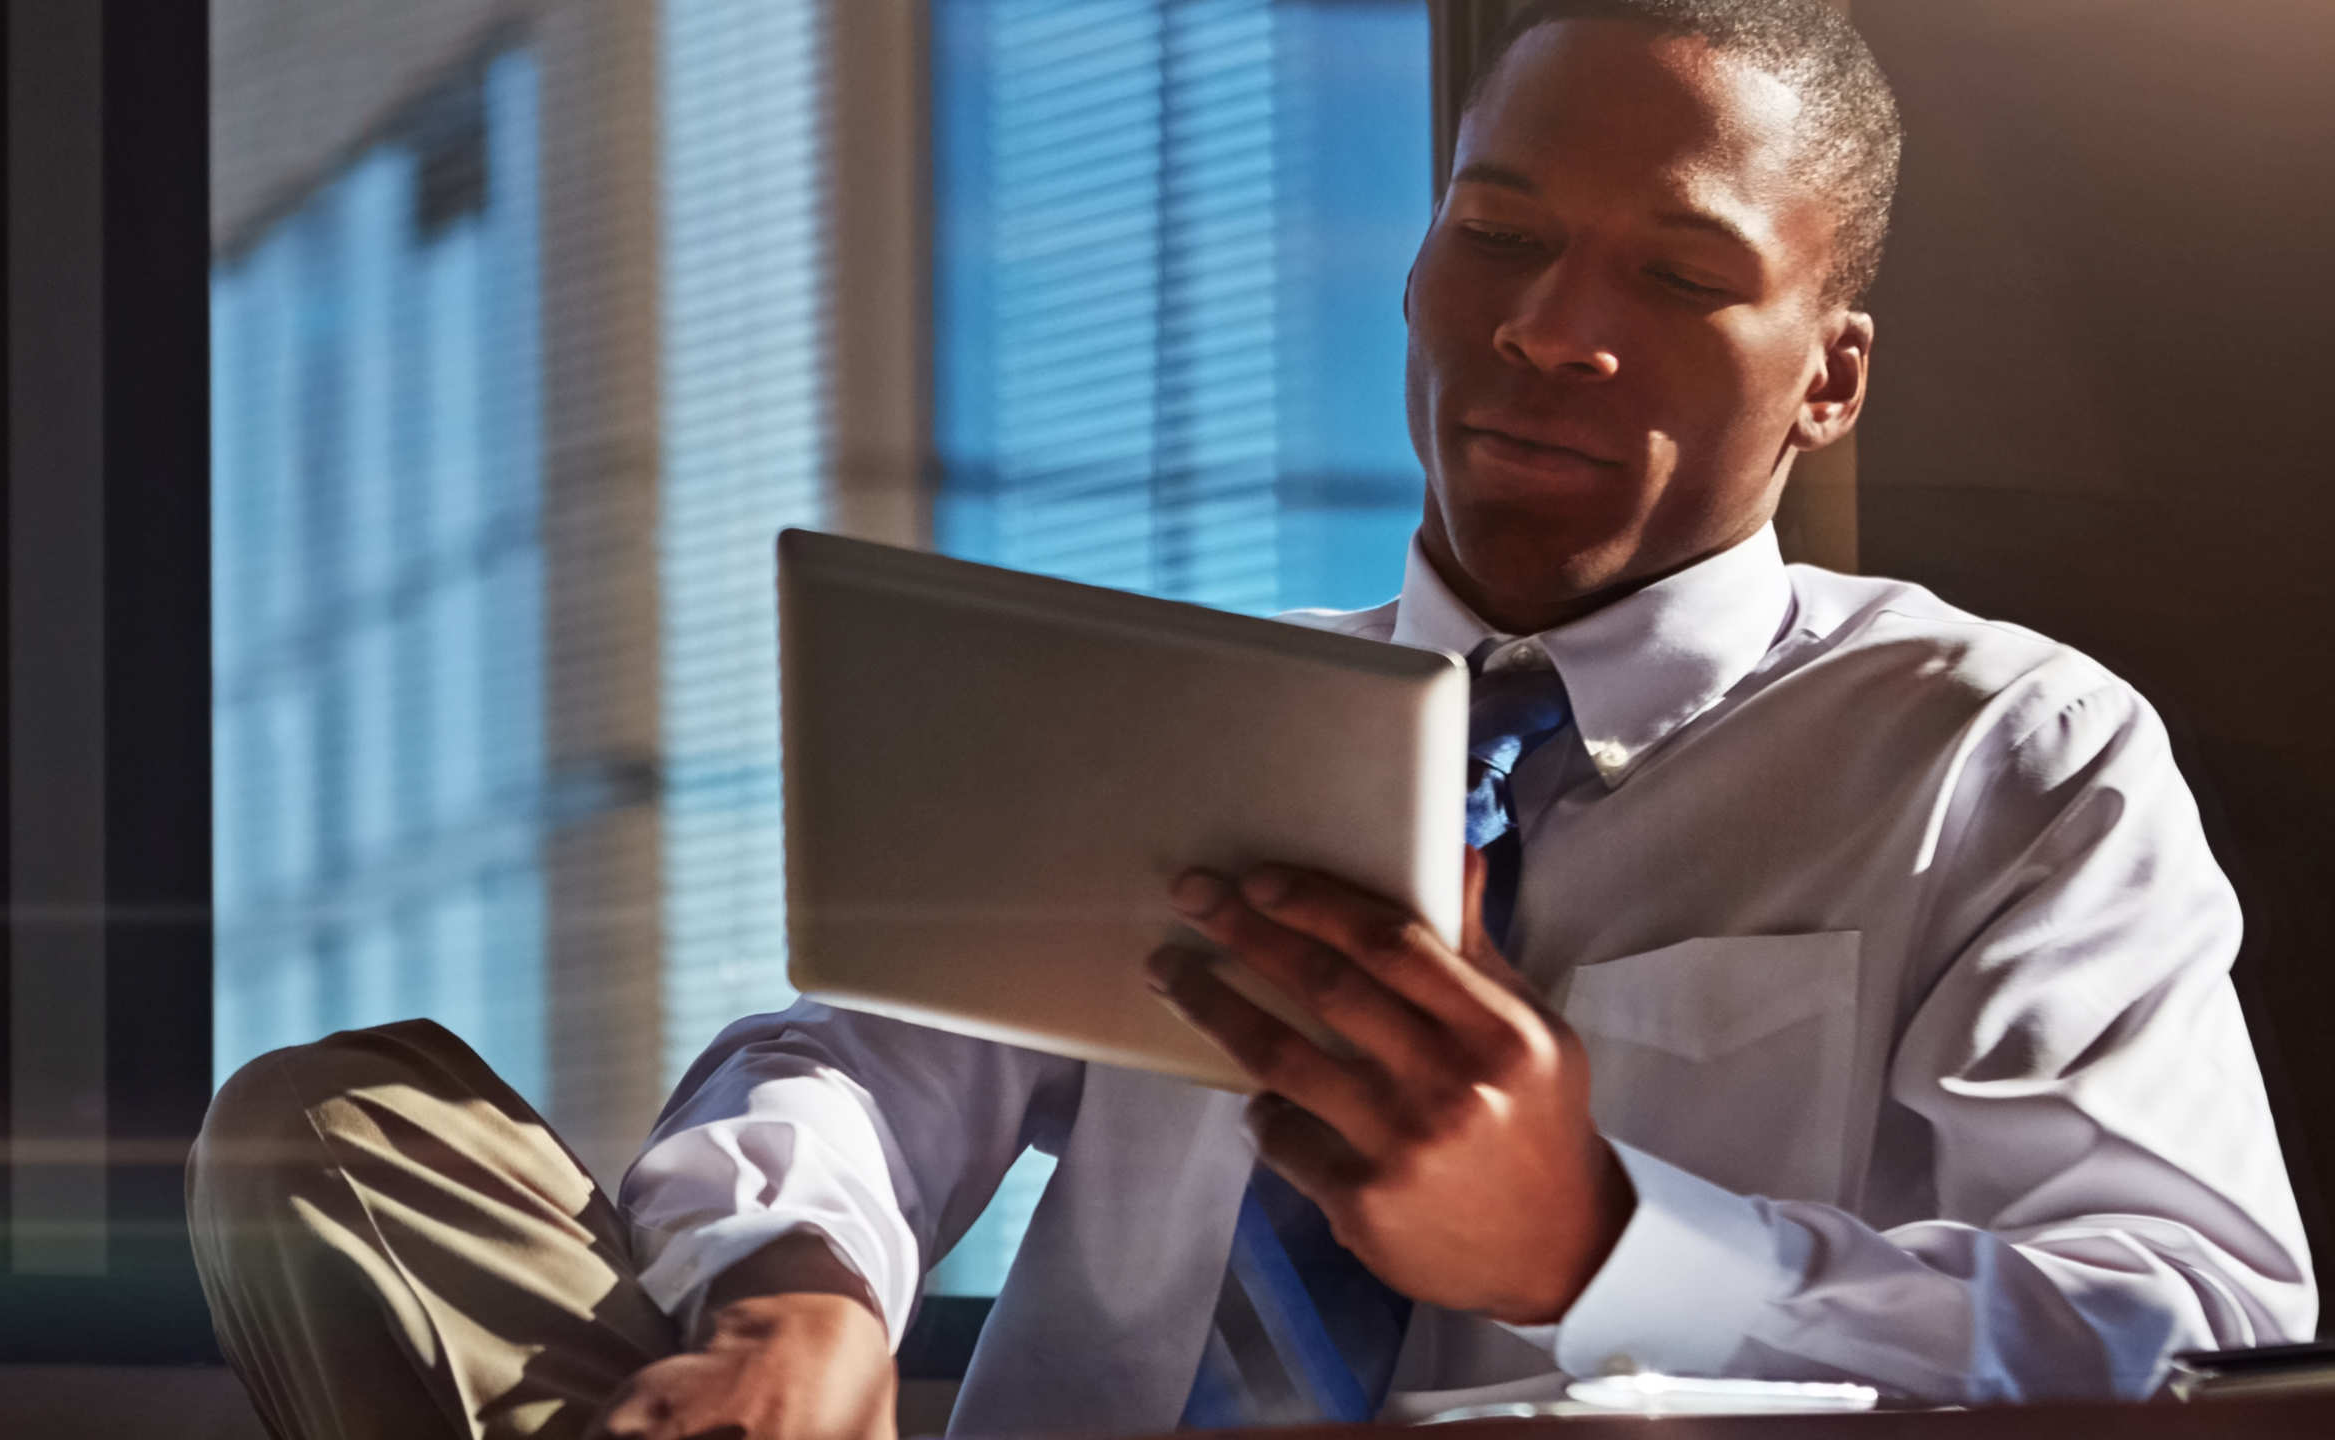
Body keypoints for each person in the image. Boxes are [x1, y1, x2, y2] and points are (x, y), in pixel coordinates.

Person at [184, 1, 2317, 1435]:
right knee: (346, 1130)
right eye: (1496, 234)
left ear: (1828, 375)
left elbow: (2187, 1316)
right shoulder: (1174, 709)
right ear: (1417, 272)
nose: (1552, 330)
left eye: (1676, 276)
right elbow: (837, 1055)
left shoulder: (2004, 754)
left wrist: (1599, 1244)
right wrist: (802, 1281)